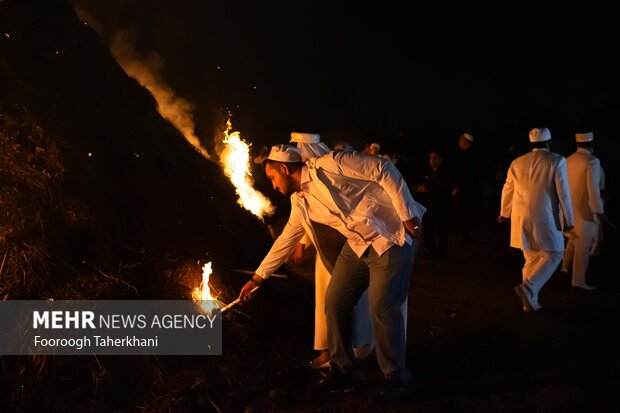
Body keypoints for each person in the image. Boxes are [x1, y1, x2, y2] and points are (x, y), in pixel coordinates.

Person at [238, 143, 426, 405]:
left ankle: (397, 378)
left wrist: (406, 214)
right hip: (358, 245)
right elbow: (286, 240)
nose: (273, 186)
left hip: (391, 235)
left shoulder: (331, 164)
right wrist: (257, 278)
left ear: (284, 167)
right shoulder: (299, 201)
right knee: (335, 299)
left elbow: (383, 168)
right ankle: (342, 370)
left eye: (272, 178)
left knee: (383, 307)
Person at [288, 132, 389, 369]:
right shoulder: (302, 182)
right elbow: (306, 217)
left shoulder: (330, 172)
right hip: (326, 253)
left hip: (351, 248)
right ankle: (330, 349)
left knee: (350, 299)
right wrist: (303, 242)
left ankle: (359, 347)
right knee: (329, 300)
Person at [498, 127, 574, 312]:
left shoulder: (517, 162)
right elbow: (563, 193)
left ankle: (529, 302)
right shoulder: (557, 160)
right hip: (547, 217)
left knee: (531, 259)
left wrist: (504, 212)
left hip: (521, 218)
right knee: (555, 254)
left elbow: (508, 188)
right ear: (549, 142)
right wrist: (569, 219)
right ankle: (529, 287)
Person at [561, 132, 606, 290]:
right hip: (584, 212)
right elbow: (593, 189)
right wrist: (599, 210)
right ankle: (579, 281)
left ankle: (569, 272)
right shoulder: (592, 161)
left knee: (574, 242)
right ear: (592, 145)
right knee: (583, 249)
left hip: (568, 211)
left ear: (577, 145)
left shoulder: (567, 160)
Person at [415, 150, 452, 261]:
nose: (432, 161)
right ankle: (432, 249)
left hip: (442, 205)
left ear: (440, 159)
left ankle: (441, 254)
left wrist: (427, 189)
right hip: (430, 205)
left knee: (442, 229)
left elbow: (444, 187)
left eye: (435, 158)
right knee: (427, 227)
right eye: (431, 158)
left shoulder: (445, 172)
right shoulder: (429, 172)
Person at [451, 132, 477, 244]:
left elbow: (464, 174)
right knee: (462, 214)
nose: (459, 142)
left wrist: (457, 188)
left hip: (464, 190)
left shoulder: (468, 155)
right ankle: (466, 236)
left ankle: (466, 238)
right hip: (465, 188)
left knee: (462, 214)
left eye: (461, 140)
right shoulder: (466, 154)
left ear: (466, 141)